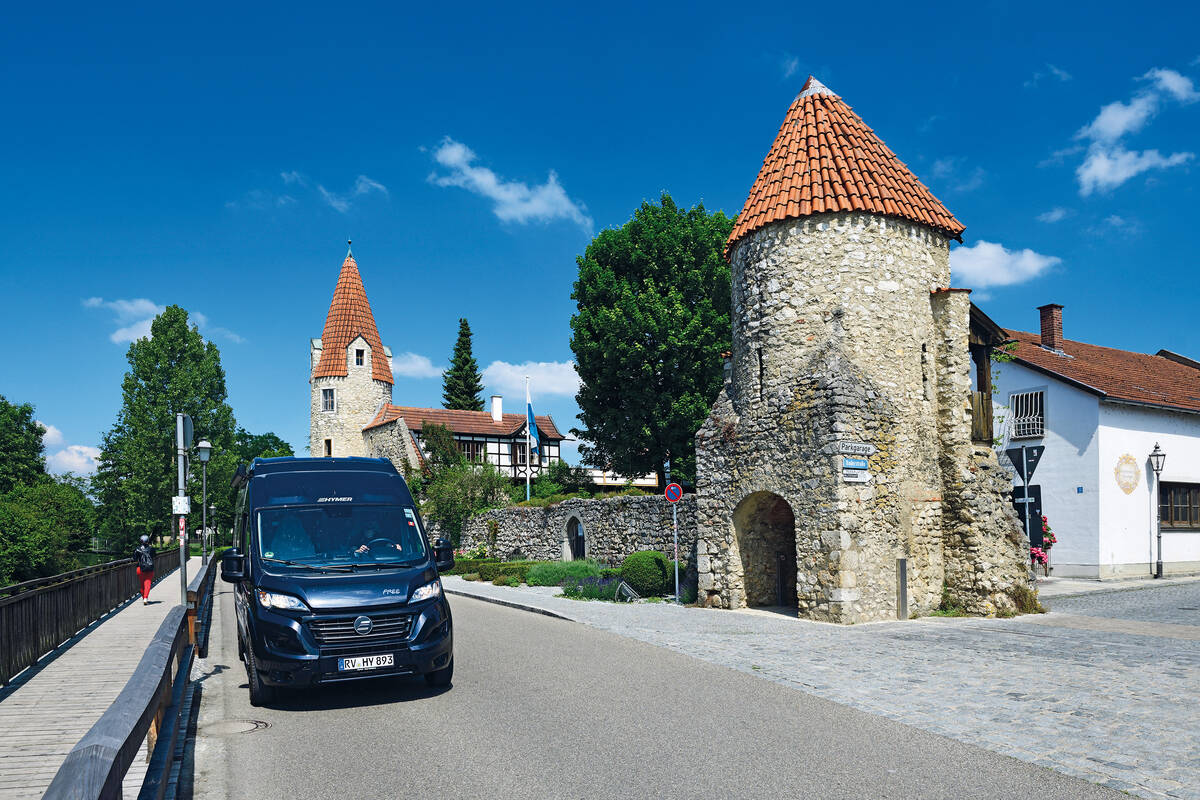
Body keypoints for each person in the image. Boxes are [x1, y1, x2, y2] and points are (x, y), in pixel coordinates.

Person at [134, 535, 155, 604]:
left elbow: (134, 558)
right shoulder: (151, 549)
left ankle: (144, 598)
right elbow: (154, 556)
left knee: (142, 584)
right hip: (149, 568)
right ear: (148, 541)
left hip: (140, 568)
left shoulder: (137, 549)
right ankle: (145, 598)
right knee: (148, 583)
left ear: (141, 541)